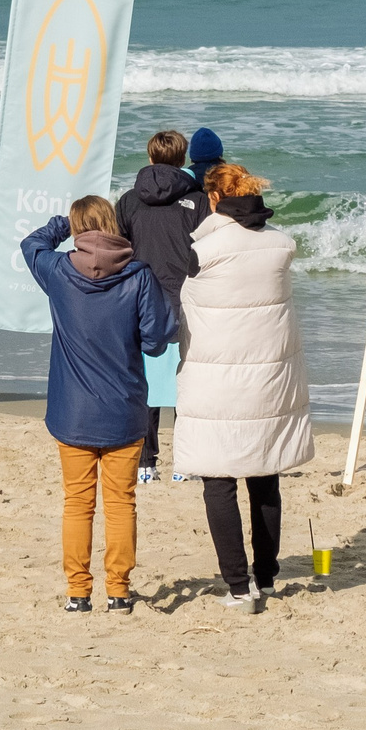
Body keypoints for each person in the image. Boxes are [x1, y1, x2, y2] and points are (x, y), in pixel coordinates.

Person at [24, 196, 176, 612]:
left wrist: (61, 225)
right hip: (124, 409)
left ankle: (78, 593)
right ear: (113, 224)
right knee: (121, 502)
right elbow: (156, 340)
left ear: (78, 229)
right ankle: (119, 590)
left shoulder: (58, 271)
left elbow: (30, 244)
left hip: (72, 412)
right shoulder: (138, 275)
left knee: (78, 503)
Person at [174, 162, 314, 612]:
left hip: (216, 383)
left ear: (213, 199)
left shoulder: (202, 251)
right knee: (265, 475)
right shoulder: (280, 246)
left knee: (218, 482)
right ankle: (268, 579)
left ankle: (238, 587)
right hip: (268, 382)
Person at [116, 128, 210, 483]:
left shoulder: (128, 200)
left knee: (146, 383)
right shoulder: (198, 200)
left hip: (140, 299)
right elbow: (207, 252)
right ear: (183, 159)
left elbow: (120, 249)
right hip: (186, 297)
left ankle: (145, 463)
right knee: (187, 381)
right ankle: (184, 464)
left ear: (151, 157)